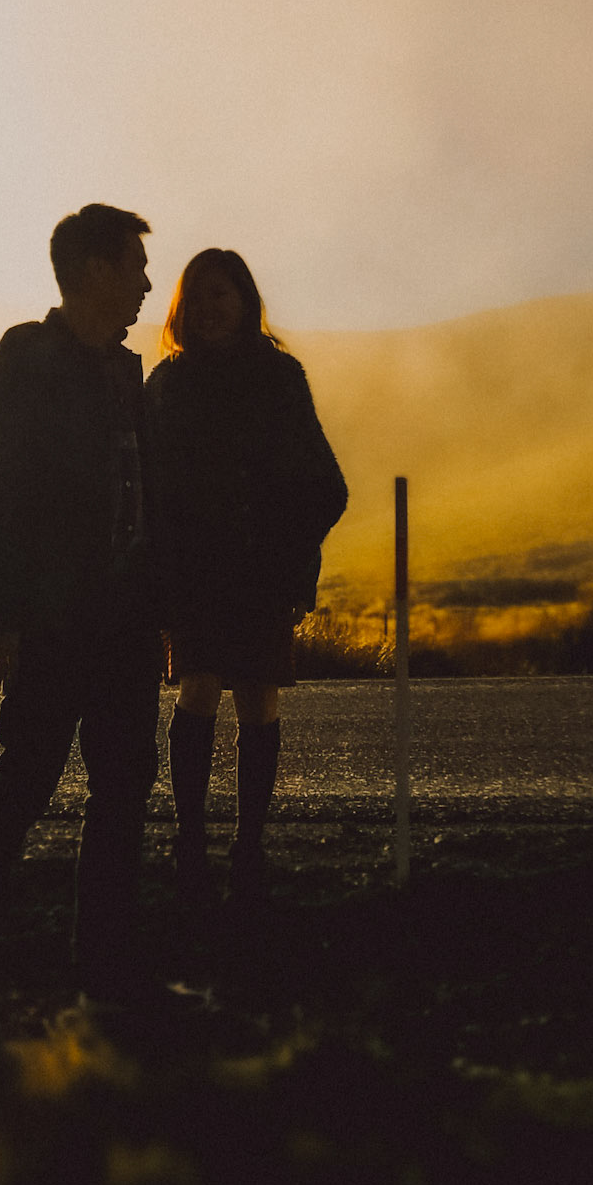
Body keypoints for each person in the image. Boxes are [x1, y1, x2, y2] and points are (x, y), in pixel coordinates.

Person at [0, 203, 161, 1023]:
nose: (145, 284)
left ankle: (109, 970)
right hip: (54, 618)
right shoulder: (24, 360)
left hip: (125, 619)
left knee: (124, 786)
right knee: (27, 778)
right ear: (93, 271)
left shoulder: (127, 373)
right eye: (133, 266)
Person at [145, 248, 347, 901]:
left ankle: (249, 846)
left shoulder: (279, 378)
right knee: (197, 690)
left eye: (221, 296)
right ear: (182, 307)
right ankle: (191, 840)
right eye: (197, 296)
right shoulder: (167, 385)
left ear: (246, 301)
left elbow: (324, 485)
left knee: (259, 696)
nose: (208, 309)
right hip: (194, 573)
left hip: (261, 573)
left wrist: (291, 568)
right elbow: (146, 490)